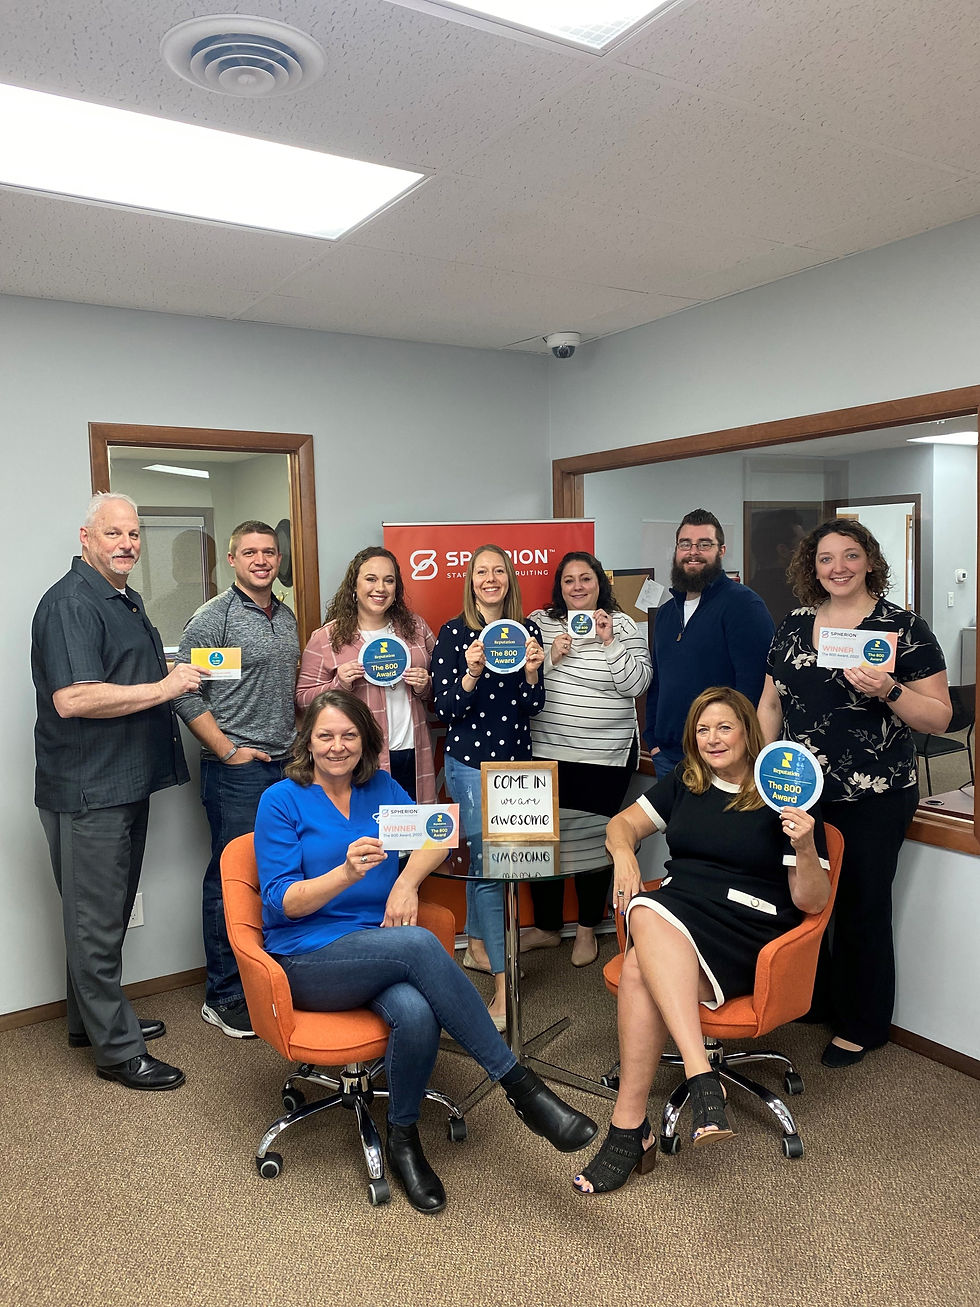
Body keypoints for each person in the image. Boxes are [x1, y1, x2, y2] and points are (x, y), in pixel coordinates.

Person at [254, 690, 597, 1213]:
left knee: (415, 1012)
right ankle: (521, 1087)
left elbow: (438, 834)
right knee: (417, 944)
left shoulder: (381, 788)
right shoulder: (281, 800)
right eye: (325, 735)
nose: (337, 746)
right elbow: (282, 904)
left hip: (378, 948)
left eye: (349, 735)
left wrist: (406, 883)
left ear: (366, 741)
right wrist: (344, 874)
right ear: (307, 741)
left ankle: (404, 1140)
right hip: (306, 957)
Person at [573, 687, 830, 1194]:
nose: (712, 739)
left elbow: (813, 901)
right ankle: (645, 1118)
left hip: (746, 927)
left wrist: (803, 846)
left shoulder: (780, 792)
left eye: (724, 727)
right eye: (702, 729)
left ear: (747, 732)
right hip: (679, 913)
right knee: (644, 943)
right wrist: (624, 855)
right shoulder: (686, 782)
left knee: (641, 933)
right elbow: (623, 824)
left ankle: (653, 1113)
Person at [758, 518, 951, 1068]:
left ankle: (863, 1023)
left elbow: (939, 718)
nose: (837, 567)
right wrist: (758, 771)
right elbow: (770, 705)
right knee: (807, 901)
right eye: (825, 558)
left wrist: (889, 689)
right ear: (810, 567)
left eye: (849, 555)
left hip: (875, 795)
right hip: (798, 792)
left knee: (863, 905)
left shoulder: (902, 628)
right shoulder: (793, 625)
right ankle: (817, 999)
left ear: (869, 560)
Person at [32, 492, 201, 1091]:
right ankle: (117, 1051)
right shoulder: (71, 605)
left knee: (101, 916)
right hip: (90, 790)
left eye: (133, 534)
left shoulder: (120, 599)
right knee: (95, 921)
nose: (127, 544)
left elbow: (131, 673)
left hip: (124, 782)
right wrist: (166, 687)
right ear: (87, 537)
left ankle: (91, 1022)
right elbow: (73, 698)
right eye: (114, 534)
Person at [173, 520, 300, 1038]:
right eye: (250, 552)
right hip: (238, 773)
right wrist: (227, 751)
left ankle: (267, 979)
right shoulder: (212, 619)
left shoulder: (287, 616)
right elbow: (184, 692)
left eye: (269, 552)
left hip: (286, 766)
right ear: (232, 560)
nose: (261, 560)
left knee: (280, 873)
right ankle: (224, 995)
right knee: (231, 878)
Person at [431, 545, 545, 1026]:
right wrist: (472, 672)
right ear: (471, 580)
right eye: (482, 572)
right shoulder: (454, 634)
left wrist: (534, 671)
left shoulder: (527, 632)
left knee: (503, 867)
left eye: (499, 571)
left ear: (509, 580)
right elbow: (447, 708)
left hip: (518, 770)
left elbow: (533, 706)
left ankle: (479, 949)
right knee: (489, 870)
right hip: (471, 767)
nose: (491, 579)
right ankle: (503, 988)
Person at [524, 551, 652, 966]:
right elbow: (523, 684)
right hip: (546, 751)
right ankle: (545, 928)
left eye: (585, 578)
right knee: (542, 842)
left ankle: (585, 931)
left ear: (600, 583)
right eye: (569, 580)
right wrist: (552, 658)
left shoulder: (625, 625)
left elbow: (636, 684)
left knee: (595, 844)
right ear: (559, 587)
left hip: (604, 756)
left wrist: (609, 641)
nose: (577, 587)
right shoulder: (540, 624)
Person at [296, 547, 436, 802]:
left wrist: (425, 685)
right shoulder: (326, 638)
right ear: (354, 586)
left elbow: (440, 691)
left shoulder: (416, 629)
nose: (380, 588)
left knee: (416, 833)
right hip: (360, 758)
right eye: (371, 579)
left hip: (413, 751)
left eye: (389, 580)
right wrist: (339, 684)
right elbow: (303, 700)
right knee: (372, 834)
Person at [643, 509, 774, 778]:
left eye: (705, 544)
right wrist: (653, 740)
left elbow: (754, 688)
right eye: (686, 544)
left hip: (720, 759)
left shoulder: (744, 606)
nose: (694, 552)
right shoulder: (667, 613)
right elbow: (659, 682)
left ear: (721, 551)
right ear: (676, 549)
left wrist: (740, 751)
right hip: (667, 758)